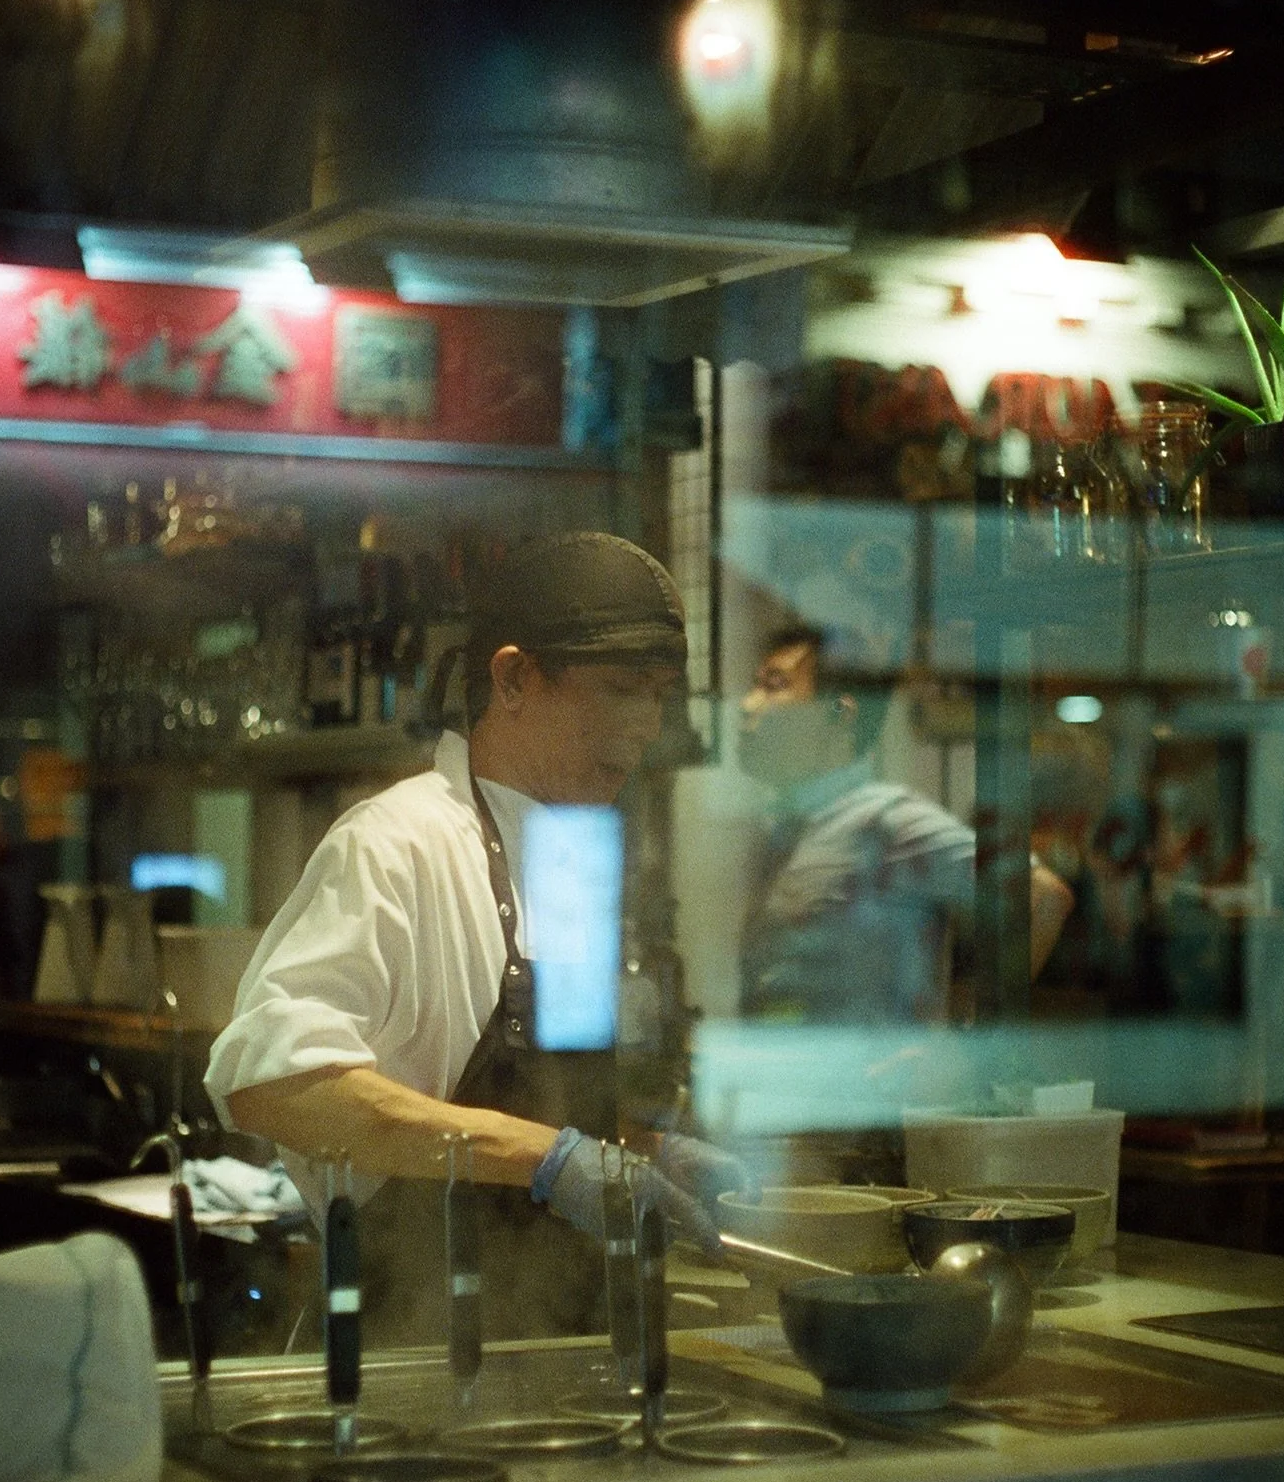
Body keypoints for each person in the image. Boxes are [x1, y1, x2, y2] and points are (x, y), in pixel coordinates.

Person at [205, 531, 746, 1339]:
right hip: (411, 1347)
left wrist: (640, 1153)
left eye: (659, 694)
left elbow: (549, 1105)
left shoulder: (571, 859)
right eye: (621, 689)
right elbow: (275, 1084)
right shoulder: (396, 843)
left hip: (562, 1343)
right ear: (514, 676)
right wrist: (550, 1162)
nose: (645, 726)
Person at [738, 626, 1074, 1026]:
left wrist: (966, 1047)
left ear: (840, 712)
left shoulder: (884, 821)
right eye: (756, 685)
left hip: (861, 1087)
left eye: (775, 685)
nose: (747, 704)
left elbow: (1043, 896)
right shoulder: (790, 828)